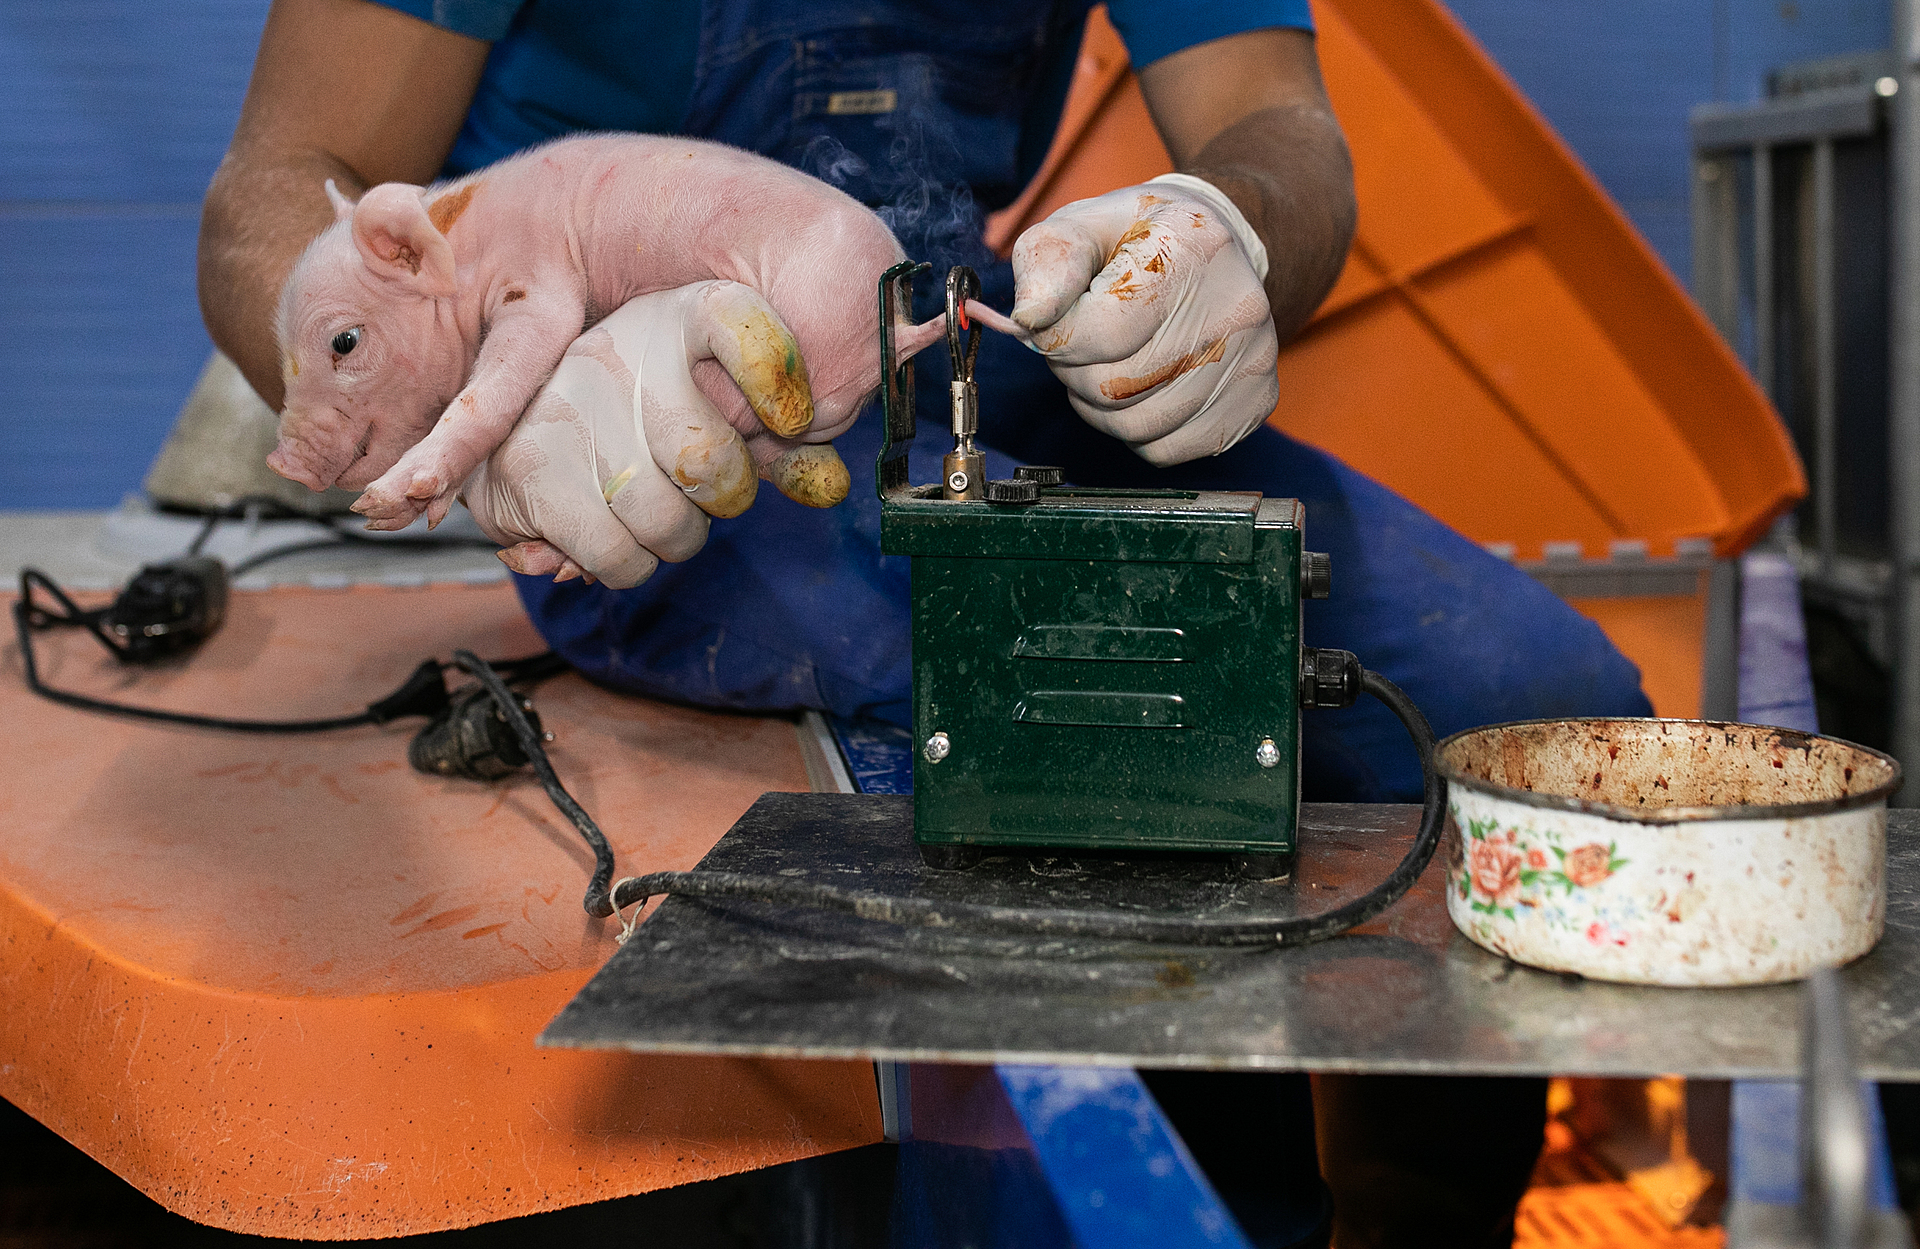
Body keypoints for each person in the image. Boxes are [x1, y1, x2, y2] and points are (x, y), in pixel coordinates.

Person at [198, 2, 1653, 1244]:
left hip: (946, 338)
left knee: (1539, 708)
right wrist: (496, 417)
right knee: (1077, 674)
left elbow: (1278, 123)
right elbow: (270, 191)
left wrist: (1227, 228)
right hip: (652, 403)